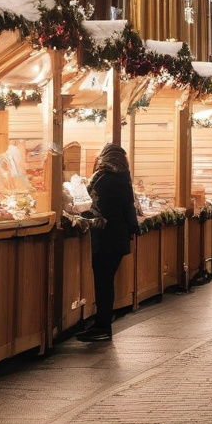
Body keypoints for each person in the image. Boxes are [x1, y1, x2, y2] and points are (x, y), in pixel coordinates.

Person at [77, 143, 139, 342]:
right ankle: (102, 324)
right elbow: (128, 208)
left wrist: (81, 214)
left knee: (103, 282)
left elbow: (95, 208)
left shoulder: (103, 179)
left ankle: (103, 326)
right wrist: (132, 229)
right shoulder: (123, 177)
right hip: (117, 239)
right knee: (106, 282)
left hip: (105, 239)